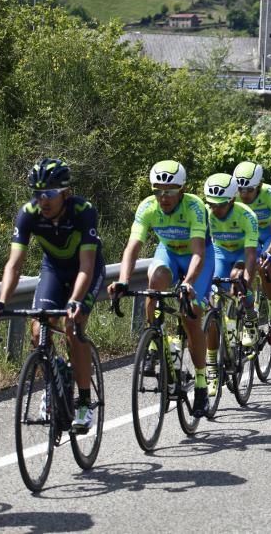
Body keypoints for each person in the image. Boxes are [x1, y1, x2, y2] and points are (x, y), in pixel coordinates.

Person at [0, 158, 106, 433]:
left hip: (85, 270)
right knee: (38, 327)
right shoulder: (28, 213)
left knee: (73, 328)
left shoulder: (83, 212)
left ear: (65, 192)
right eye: (37, 194)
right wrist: (2, 301)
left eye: (49, 194)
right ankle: (56, 377)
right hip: (53, 269)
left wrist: (75, 301)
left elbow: (86, 266)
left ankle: (84, 403)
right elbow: (14, 265)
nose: (43, 201)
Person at [110, 160, 214, 418]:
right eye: (158, 191)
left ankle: (201, 383)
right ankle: (155, 340)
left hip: (196, 257)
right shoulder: (147, 207)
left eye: (170, 191)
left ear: (182, 189)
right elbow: (132, 247)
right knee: (154, 283)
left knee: (192, 318)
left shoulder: (194, 207)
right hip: (168, 252)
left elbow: (199, 253)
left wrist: (188, 282)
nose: (163, 197)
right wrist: (123, 280)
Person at [202, 173, 259, 398]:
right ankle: (212, 363)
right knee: (212, 302)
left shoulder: (246, 215)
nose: (215, 209)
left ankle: (249, 316)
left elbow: (252, 254)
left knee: (238, 279)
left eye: (220, 205)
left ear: (232, 201)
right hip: (219, 253)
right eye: (211, 205)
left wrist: (245, 280)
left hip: (242, 253)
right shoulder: (205, 214)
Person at [233, 161, 271, 344]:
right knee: (239, 272)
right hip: (249, 237)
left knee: (264, 266)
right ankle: (249, 315)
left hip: (270, 235)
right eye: (241, 189)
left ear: (260, 185)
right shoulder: (234, 195)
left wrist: (270, 252)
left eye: (250, 190)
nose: (245, 194)